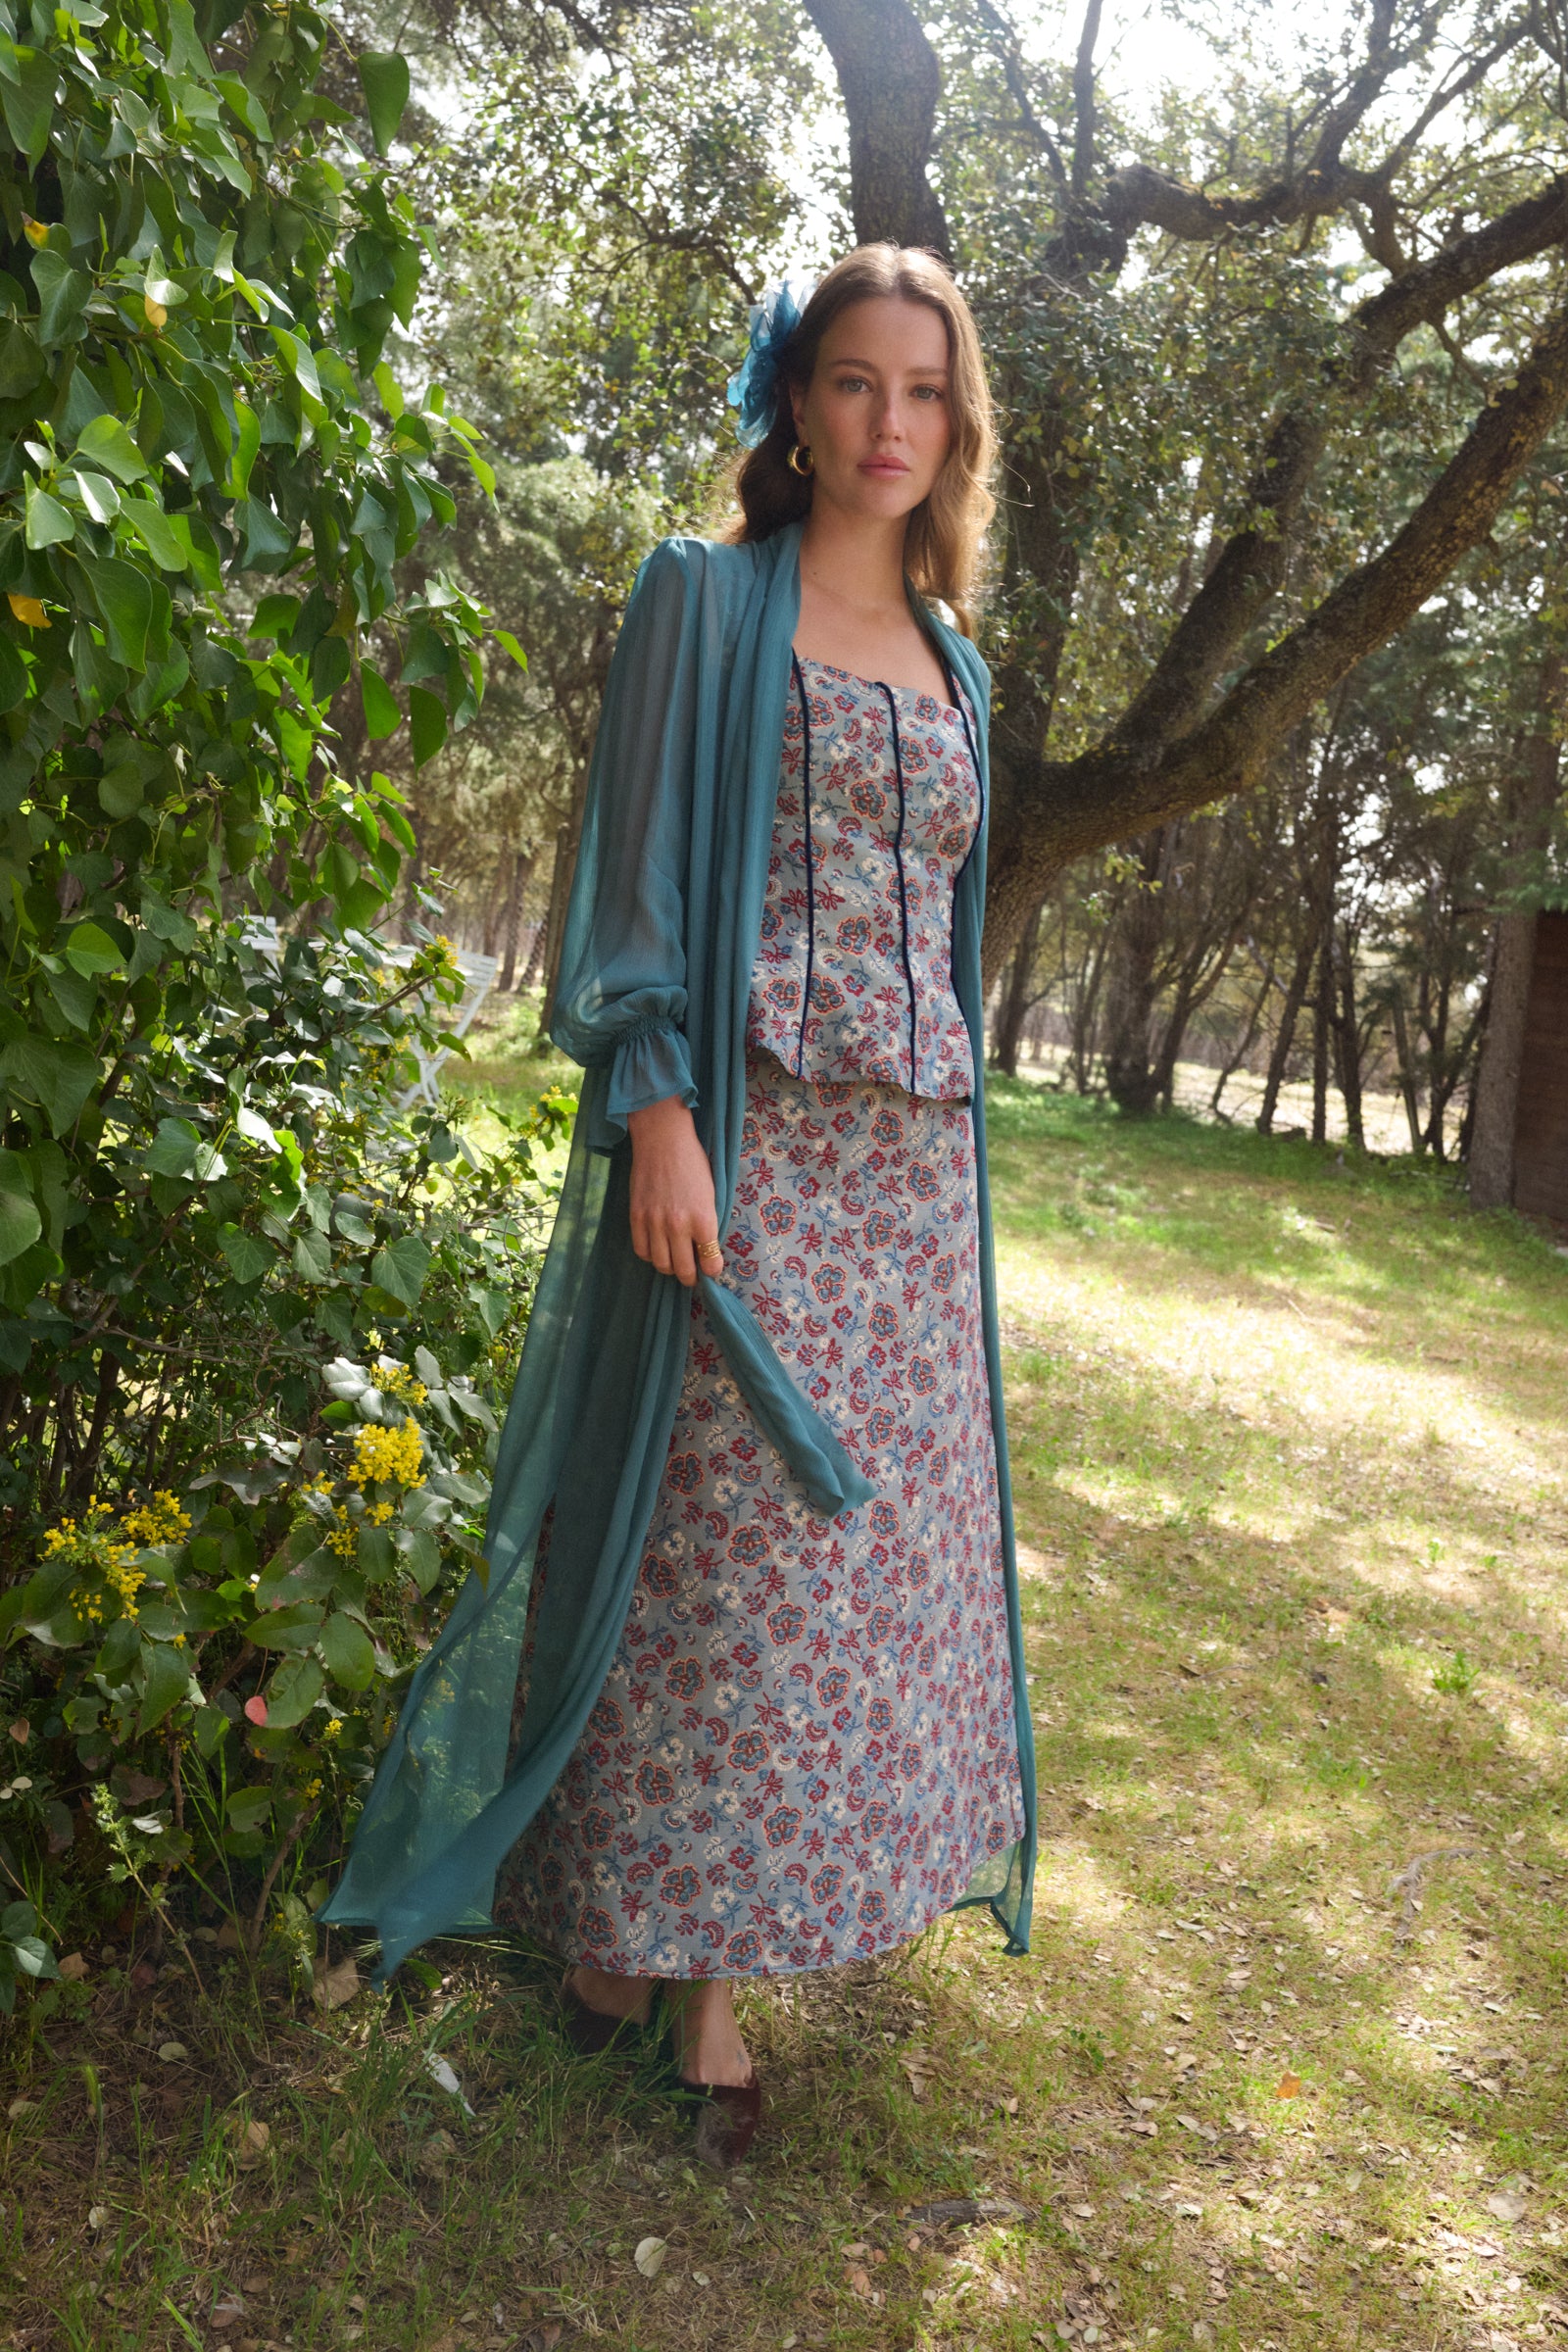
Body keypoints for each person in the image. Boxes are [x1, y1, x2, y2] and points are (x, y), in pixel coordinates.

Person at [318, 243, 1037, 2170]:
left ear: (956, 425)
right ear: (794, 399)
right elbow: (627, 881)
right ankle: (660, 1967)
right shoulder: (700, 602)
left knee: (849, 1577)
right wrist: (656, 1110)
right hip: (743, 1140)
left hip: (909, 1185)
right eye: (854, 381)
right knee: (718, 1559)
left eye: (925, 391)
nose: (888, 423)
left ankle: (661, 1958)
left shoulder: (958, 661)